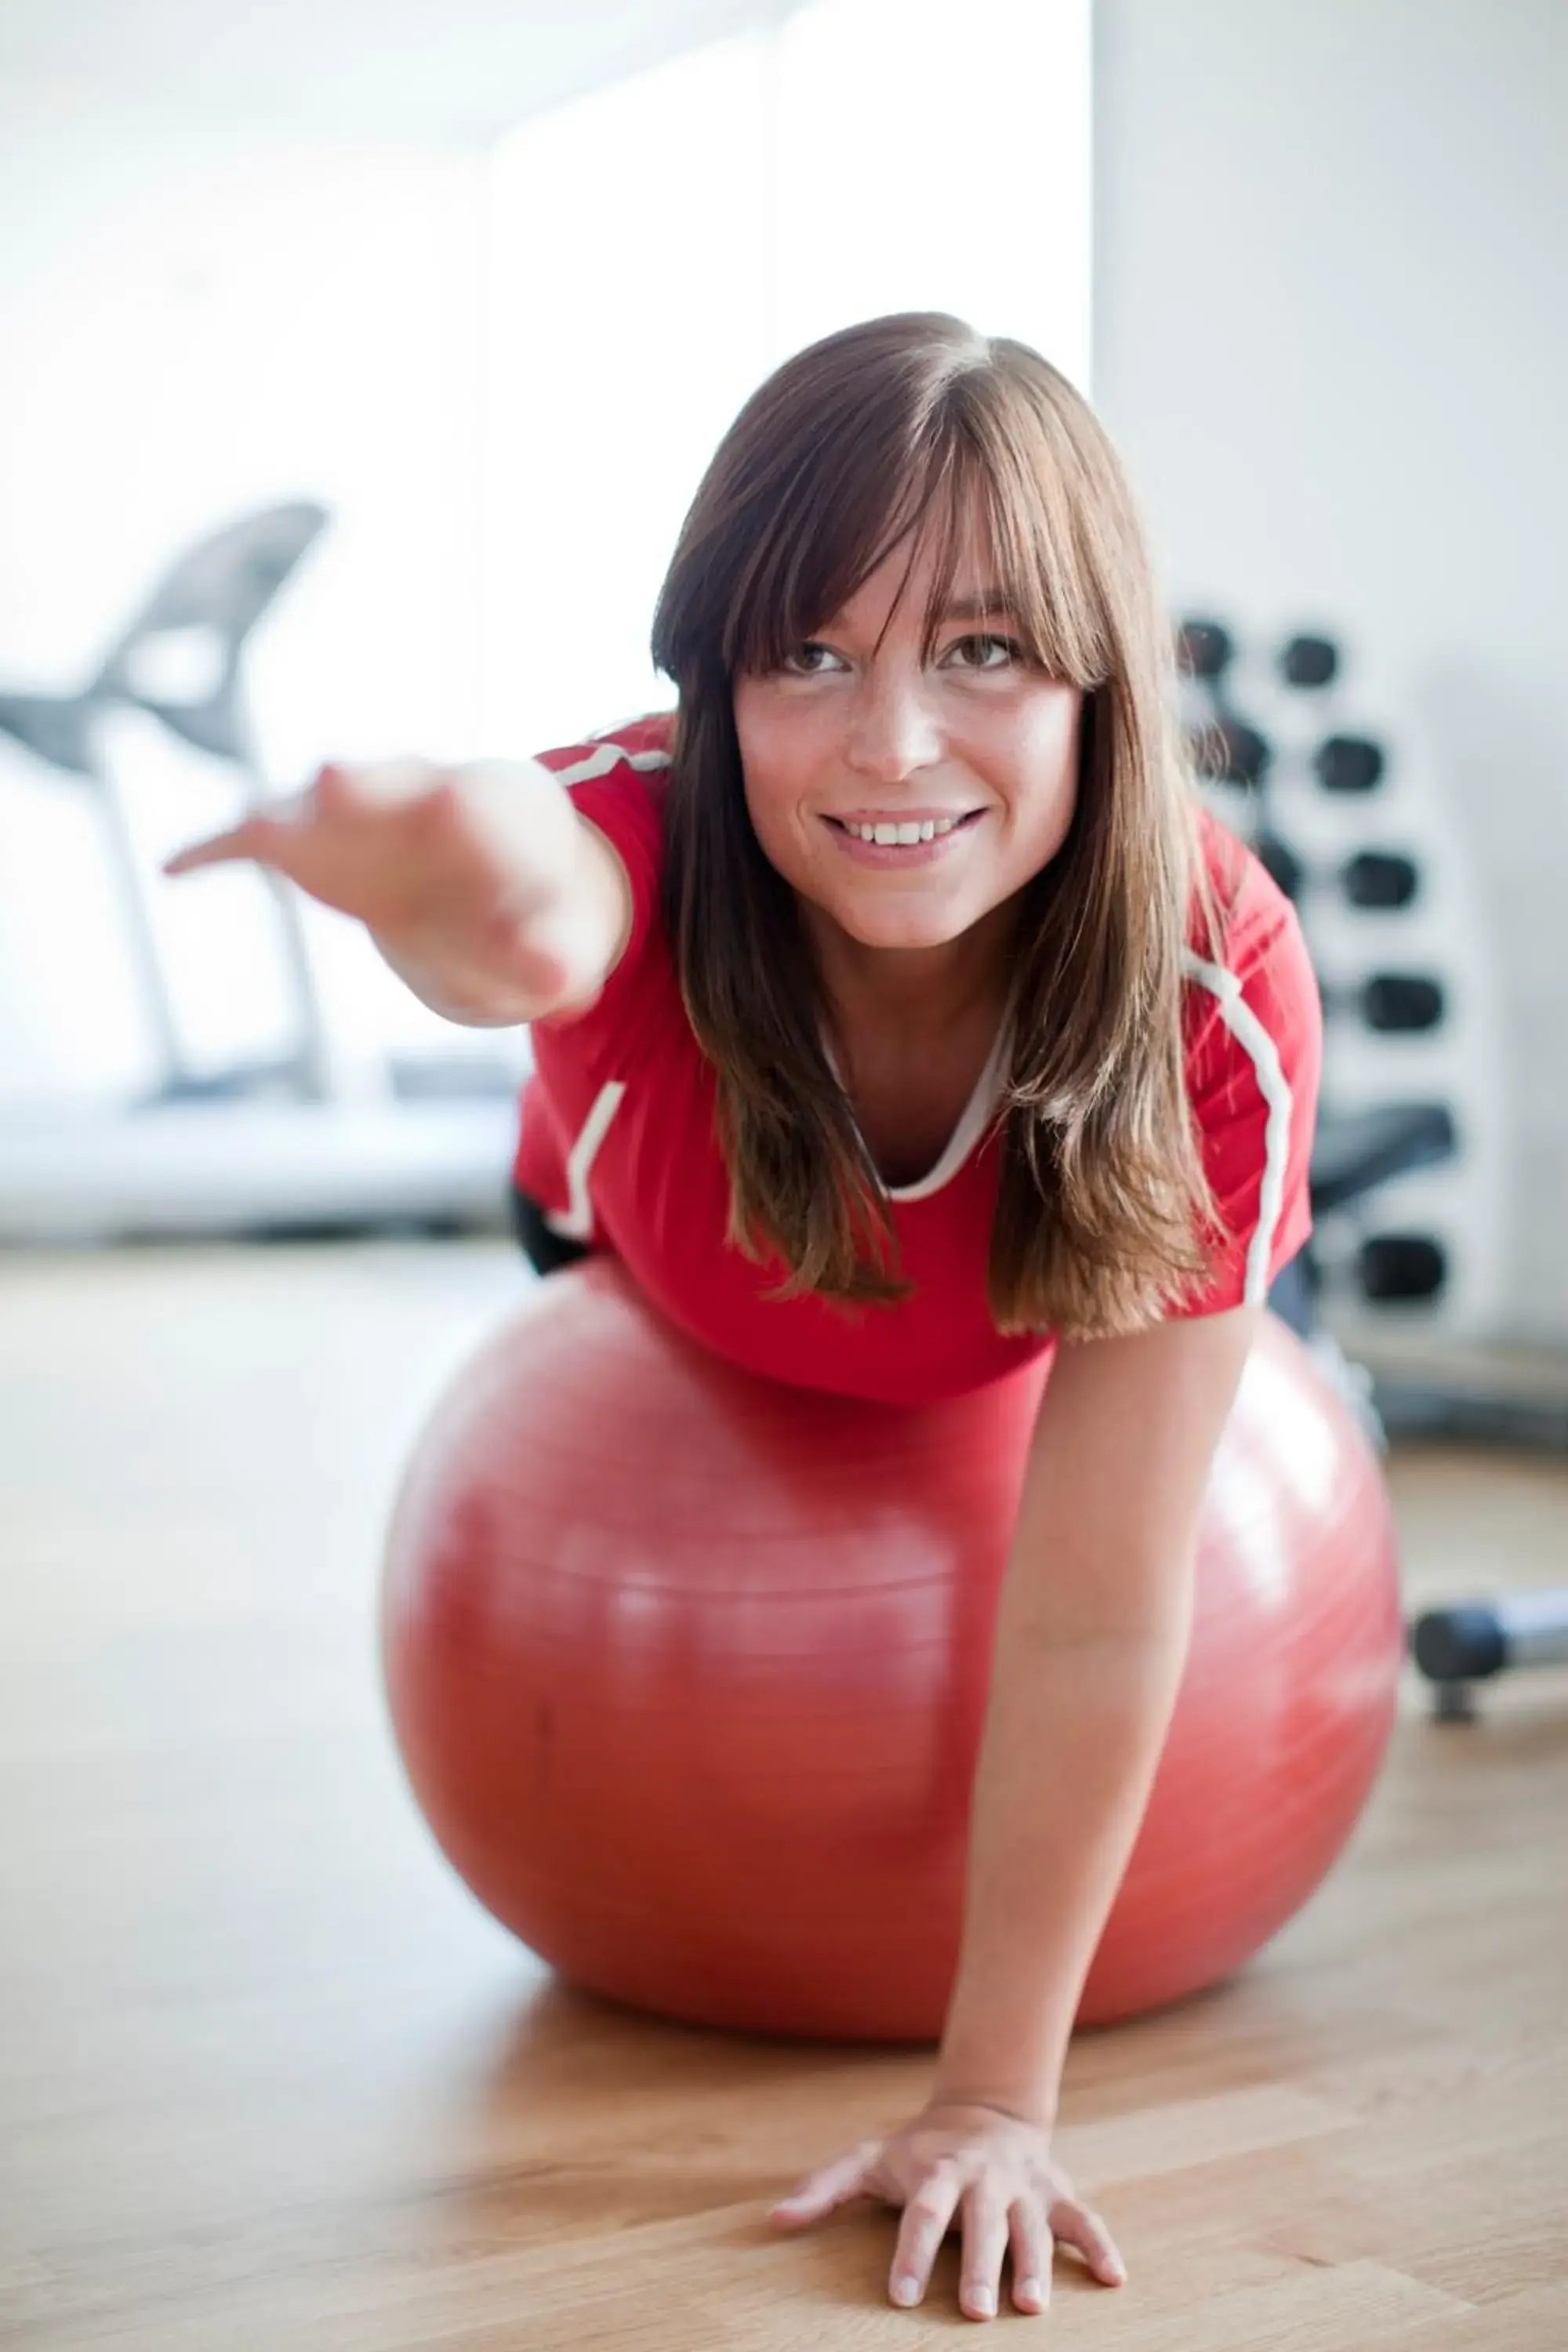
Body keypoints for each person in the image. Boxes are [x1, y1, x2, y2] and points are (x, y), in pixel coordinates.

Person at [167, 313, 1321, 2324]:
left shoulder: (1213, 987)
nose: (887, 745)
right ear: (711, 683)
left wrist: (992, 2101)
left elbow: (1100, 1598)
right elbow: (532, 901)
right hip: (645, 1263)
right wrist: (447, 884)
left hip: (1006, 1325)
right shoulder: (630, 826)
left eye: (980, 650)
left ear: (1102, 680)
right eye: (806, 653)